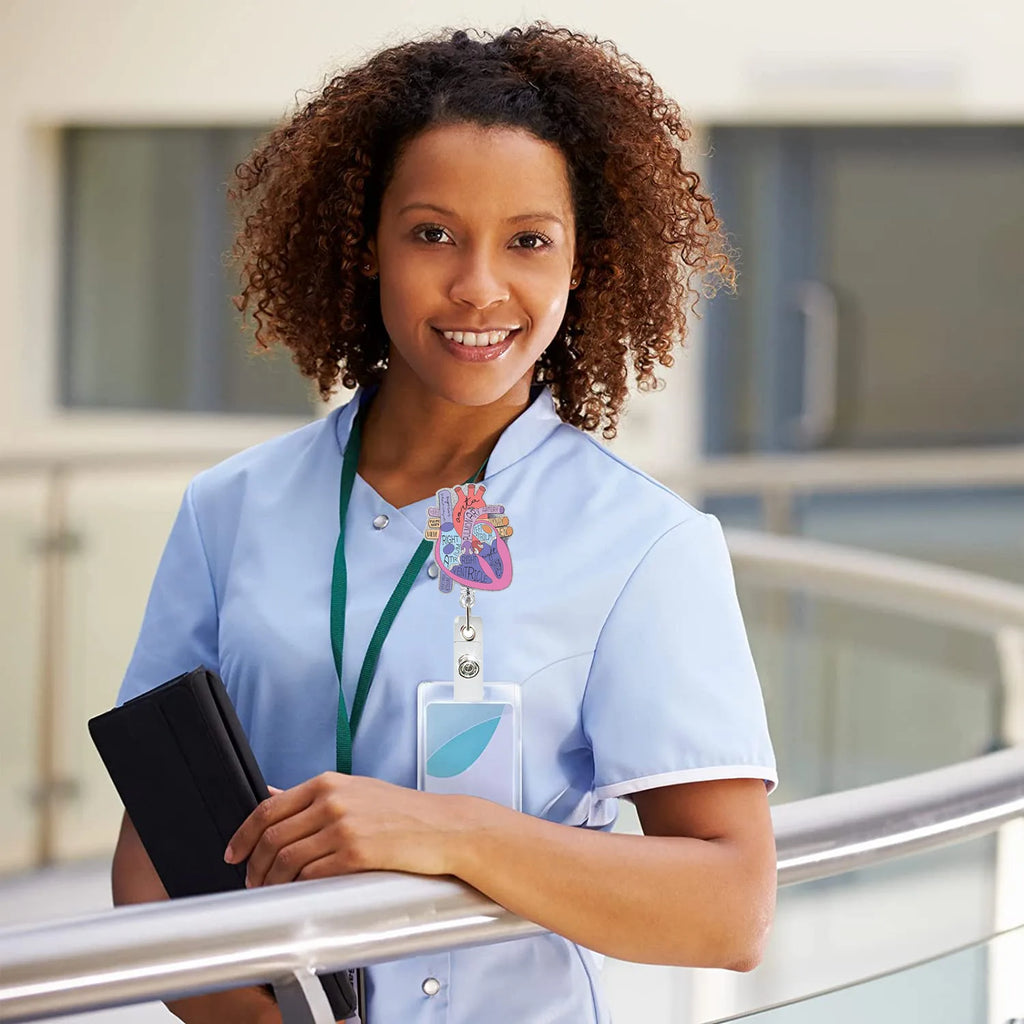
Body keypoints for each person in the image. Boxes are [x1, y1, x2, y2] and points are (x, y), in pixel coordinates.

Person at [110, 23, 778, 1024]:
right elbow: (152, 864)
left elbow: (727, 909)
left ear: (581, 263)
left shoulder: (645, 544)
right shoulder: (230, 510)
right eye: (431, 233)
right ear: (365, 247)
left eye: (528, 240)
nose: (477, 284)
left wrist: (451, 834)